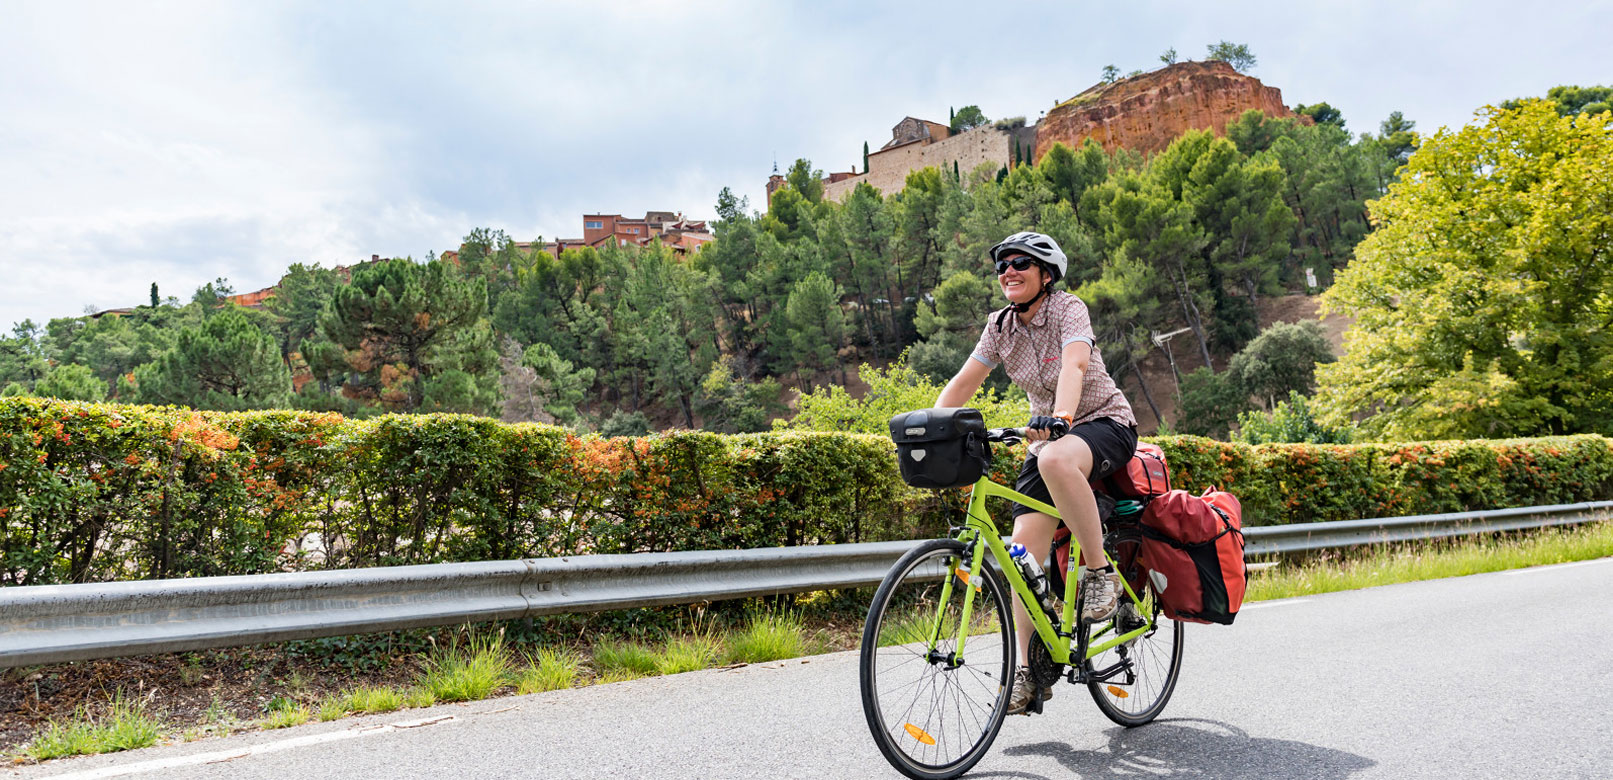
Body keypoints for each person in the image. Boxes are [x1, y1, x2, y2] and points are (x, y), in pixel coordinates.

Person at [932, 231, 1138, 715]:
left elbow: (1076, 363)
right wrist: (928, 427)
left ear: (1047, 275)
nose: (1009, 270)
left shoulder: (1069, 309)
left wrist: (1063, 417)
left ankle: (1098, 572)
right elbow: (964, 382)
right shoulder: (999, 326)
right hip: (1049, 437)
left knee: (1053, 456)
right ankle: (1026, 671)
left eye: (1021, 262)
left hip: (1102, 423)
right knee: (1021, 557)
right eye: (1002, 264)